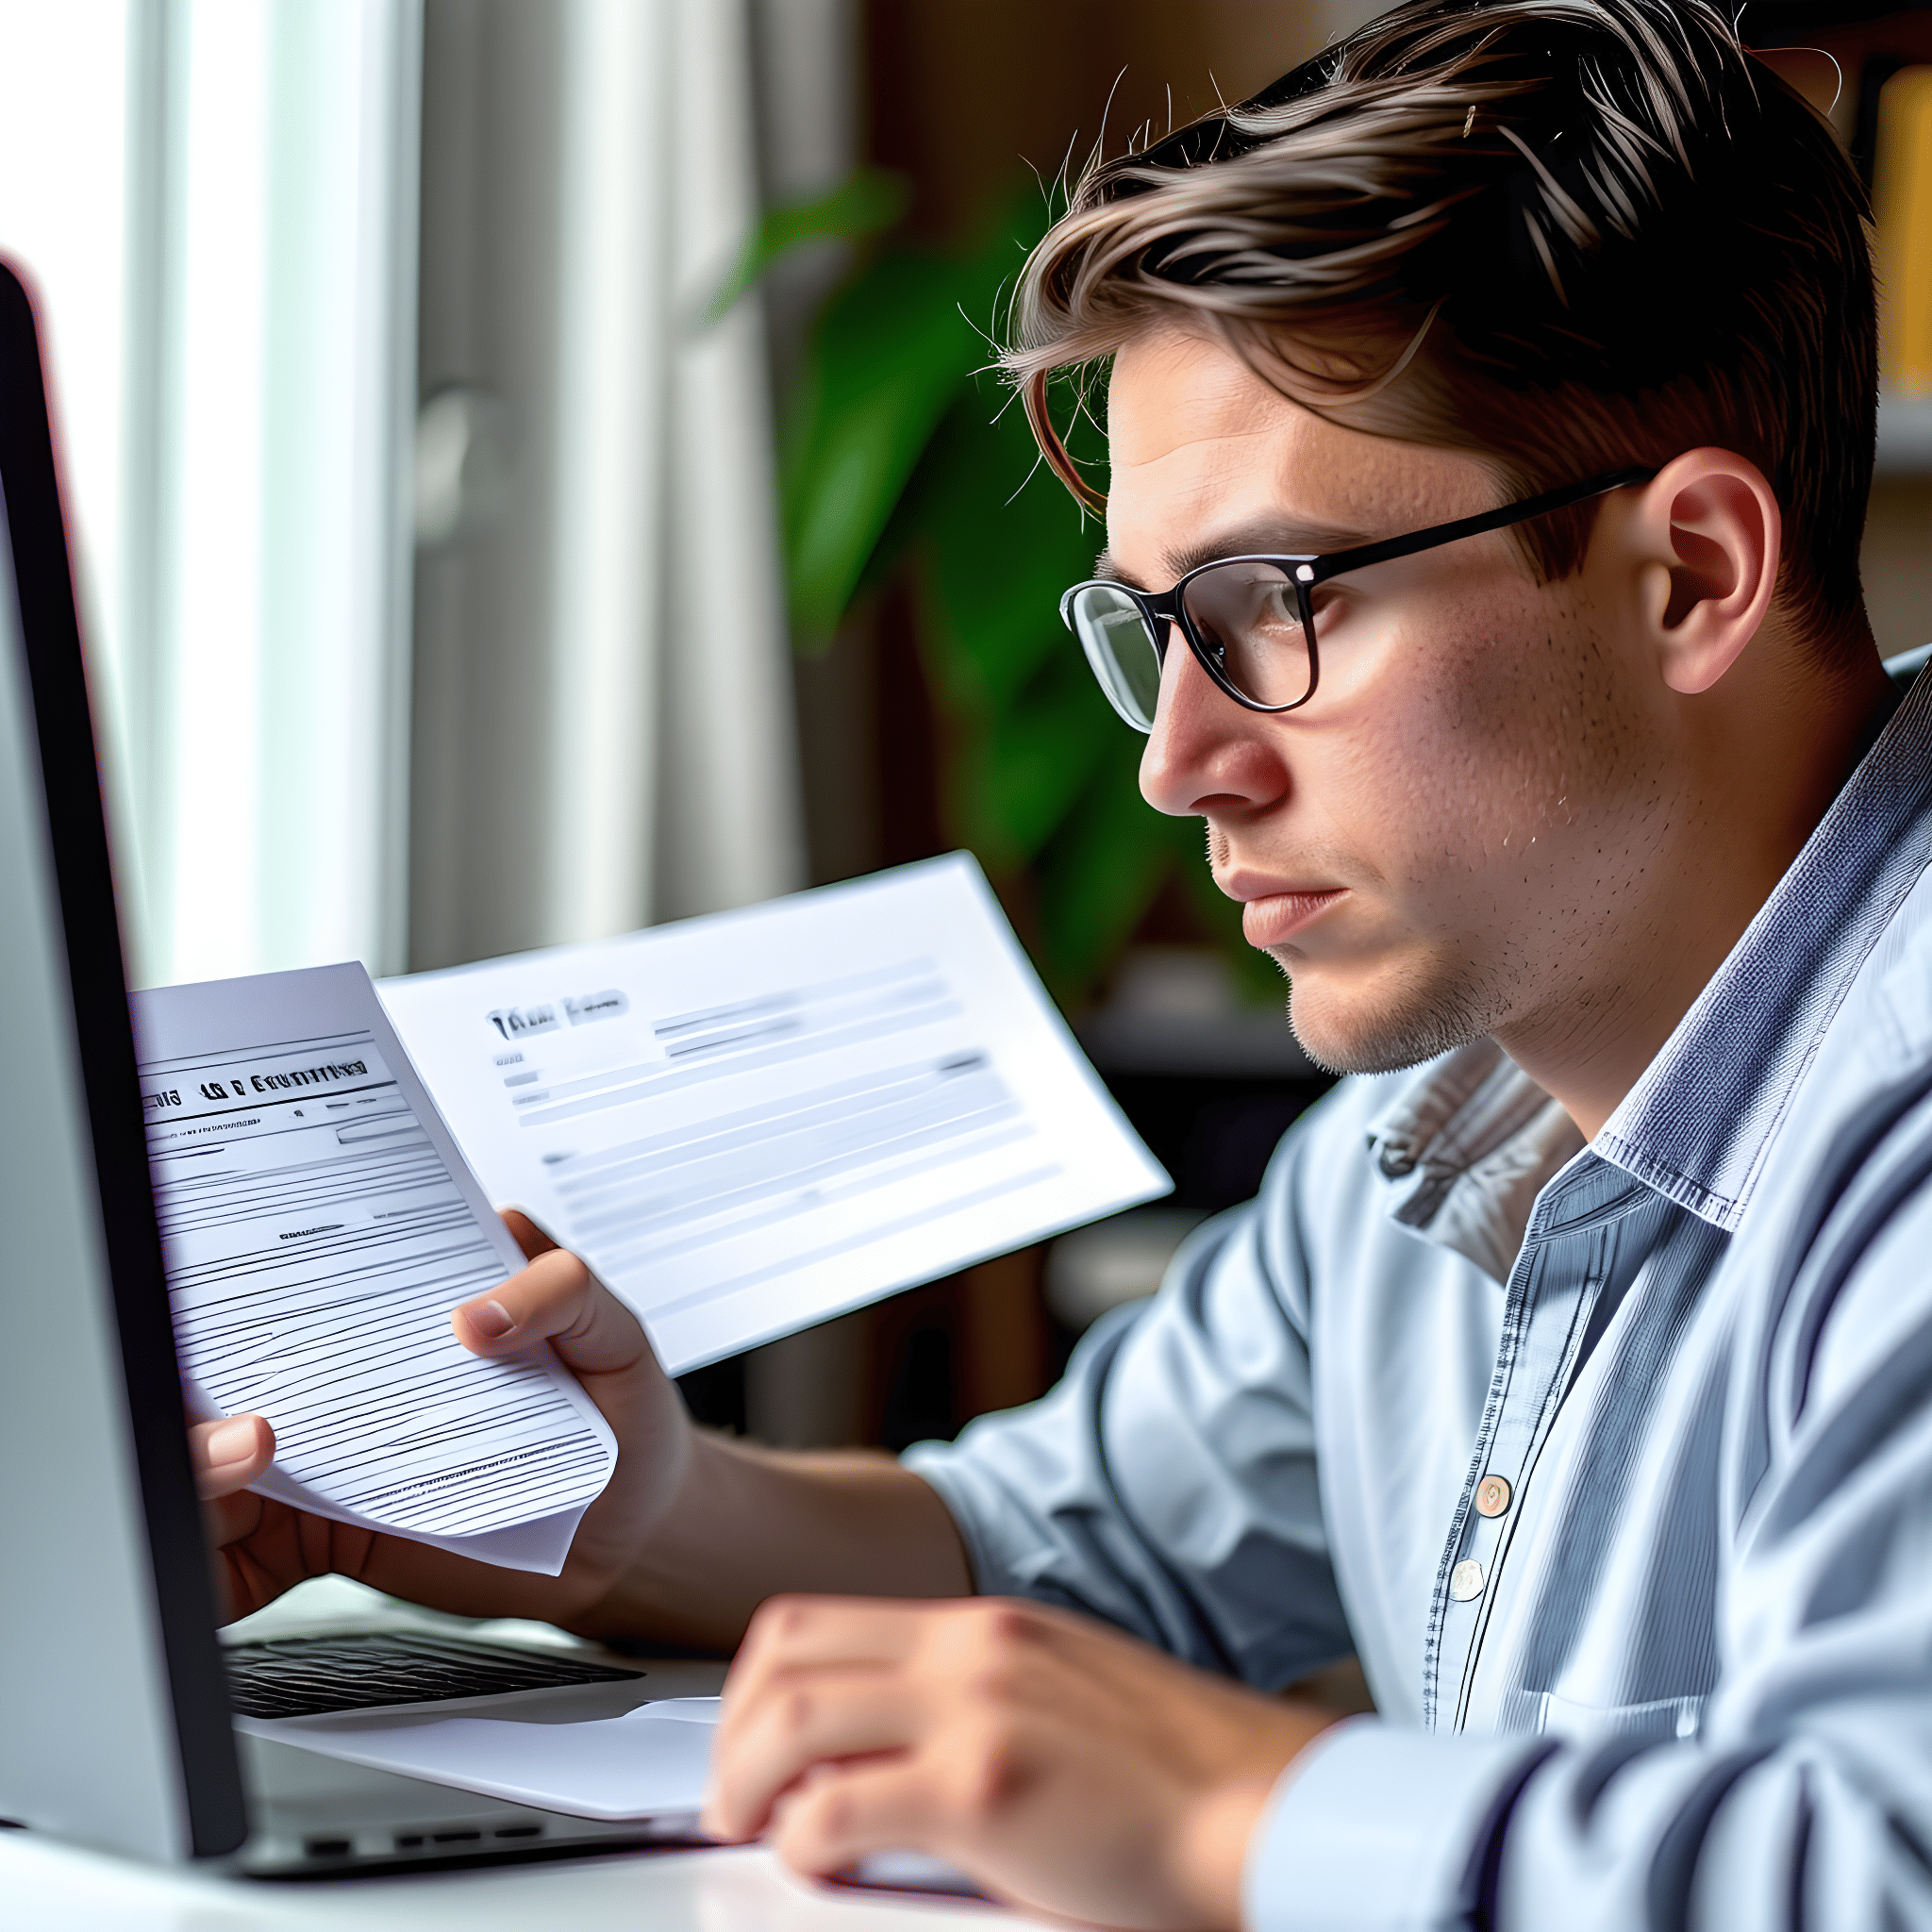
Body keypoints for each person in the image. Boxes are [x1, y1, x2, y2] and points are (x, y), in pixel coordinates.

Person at [186, 2, 1932, 1924]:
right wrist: (618, 1508)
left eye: (1277, 605)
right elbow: (1047, 1549)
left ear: (1688, 570)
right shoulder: (1463, 1101)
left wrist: (1219, 1813)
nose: (1177, 759)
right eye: (1155, 627)